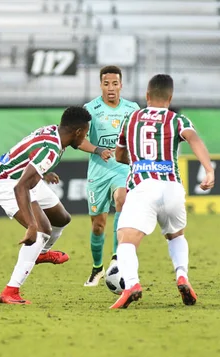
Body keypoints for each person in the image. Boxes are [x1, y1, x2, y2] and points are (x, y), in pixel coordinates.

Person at [110, 74, 215, 309]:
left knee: (126, 240)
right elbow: (194, 139)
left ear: (147, 96)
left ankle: (132, 285)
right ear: (171, 97)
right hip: (172, 188)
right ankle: (182, 276)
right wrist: (209, 170)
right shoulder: (177, 120)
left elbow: (119, 155)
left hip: (142, 188)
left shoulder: (132, 118)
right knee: (176, 235)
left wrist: (137, 161)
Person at [0, 106, 91, 304]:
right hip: (8, 182)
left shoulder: (54, 132)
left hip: (23, 177)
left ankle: (40, 253)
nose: (84, 139)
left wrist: (43, 172)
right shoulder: (51, 149)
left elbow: (30, 153)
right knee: (41, 229)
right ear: (77, 132)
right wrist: (31, 225)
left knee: (62, 218)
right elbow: (20, 187)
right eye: (85, 134)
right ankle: (10, 291)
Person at [81, 65, 140, 288]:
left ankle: (117, 258)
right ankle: (97, 268)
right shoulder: (91, 109)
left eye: (115, 83)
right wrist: (97, 150)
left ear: (121, 85)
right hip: (98, 171)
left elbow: (137, 137)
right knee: (98, 225)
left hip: (122, 167)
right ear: (101, 85)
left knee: (122, 200)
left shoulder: (132, 109)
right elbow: (80, 140)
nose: (111, 88)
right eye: (107, 84)